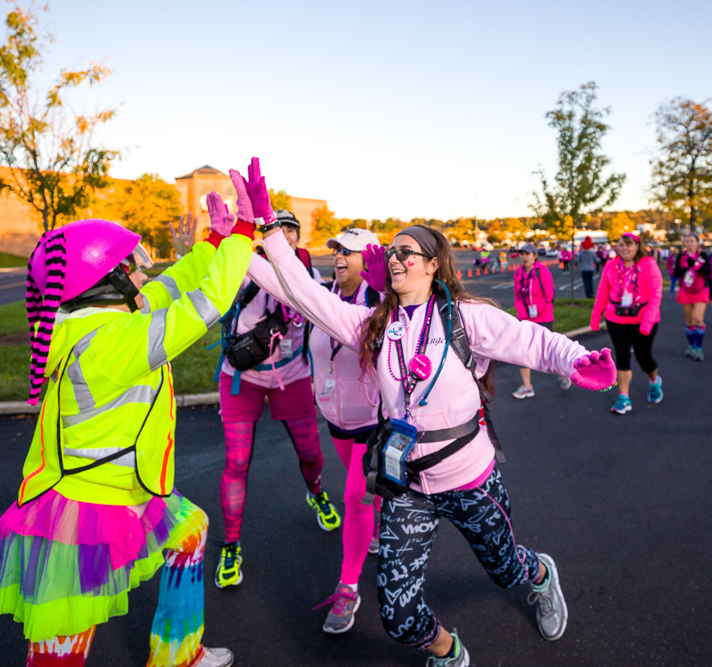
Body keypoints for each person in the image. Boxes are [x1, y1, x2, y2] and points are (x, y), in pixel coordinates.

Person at [260, 223, 616, 666]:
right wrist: (257, 242)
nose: (394, 258)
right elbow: (303, 295)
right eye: (391, 251)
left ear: (432, 265)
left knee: (507, 570)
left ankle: (541, 573)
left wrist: (577, 359)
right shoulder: (373, 325)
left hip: (471, 482)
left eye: (406, 252)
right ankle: (449, 652)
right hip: (407, 488)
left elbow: (530, 339)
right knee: (398, 617)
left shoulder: (466, 317)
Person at [0, 164, 261, 667]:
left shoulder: (94, 319)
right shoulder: (109, 343)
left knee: (190, 530)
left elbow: (169, 288)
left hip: (121, 488)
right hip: (83, 509)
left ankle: (178, 653)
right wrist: (244, 234)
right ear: (105, 282)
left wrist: (212, 245)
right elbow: (203, 307)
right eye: (133, 267)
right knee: (60, 649)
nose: (143, 274)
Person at [244, 226, 384, 634]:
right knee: (367, 494)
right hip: (337, 421)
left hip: (374, 423)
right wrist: (231, 244)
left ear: (368, 259)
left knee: (355, 498)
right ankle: (377, 525)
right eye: (336, 249)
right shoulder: (323, 297)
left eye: (349, 251)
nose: (339, 256)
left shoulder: (380, 305)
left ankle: (348, 587)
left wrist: (385, 296)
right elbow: (282, 281)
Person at [213, 198, 340, 590]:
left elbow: (337, 317)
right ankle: (231, 545)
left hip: (292, 375)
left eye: (290, 229)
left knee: (311, 454)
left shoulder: (311, 277)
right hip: (242, 378)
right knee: (236, 462)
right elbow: (214, 280)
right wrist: (218, 242)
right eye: (275, 228)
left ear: (298, 237)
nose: (283, 234)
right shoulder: (247, 270)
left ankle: (316, 493)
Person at [590, 232, 663, 414]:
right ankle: (624, 397)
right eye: (621, 245)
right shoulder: (611, 265)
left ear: (637, 246)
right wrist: (595, 318)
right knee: (622, 356)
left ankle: (654, 381)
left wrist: (646, 324)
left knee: (643, 358)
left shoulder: (648, 264)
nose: (624, 248)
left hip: (643, 320)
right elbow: (602, 292)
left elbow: (656, 295)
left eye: (628, 244)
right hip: (616, 319)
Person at [511, 243, 571, 399]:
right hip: (525, 318)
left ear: (534, 255)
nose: (524, 257)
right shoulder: (518, 272)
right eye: (522, 254)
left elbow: (549, 295)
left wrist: (537, 310)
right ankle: (527, 386)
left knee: (548, 353)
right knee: (521, 352)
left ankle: (564, 372)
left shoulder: (542, 271)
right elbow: (517, 295)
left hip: (543, 317)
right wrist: (522, 312)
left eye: (527, 254)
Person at [672, 233, 711, 361]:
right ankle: (691, 346)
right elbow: (676, 273)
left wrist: (697, 265)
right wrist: (686, 267)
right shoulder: (681, 256)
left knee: (698, 319)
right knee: (689, 320)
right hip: (686, 291)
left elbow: (709, 271)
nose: (689, 243)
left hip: (700, 290)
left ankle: (698, 348)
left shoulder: (703, 255)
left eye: (692, 241)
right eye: (687, 241)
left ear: (697, 243)